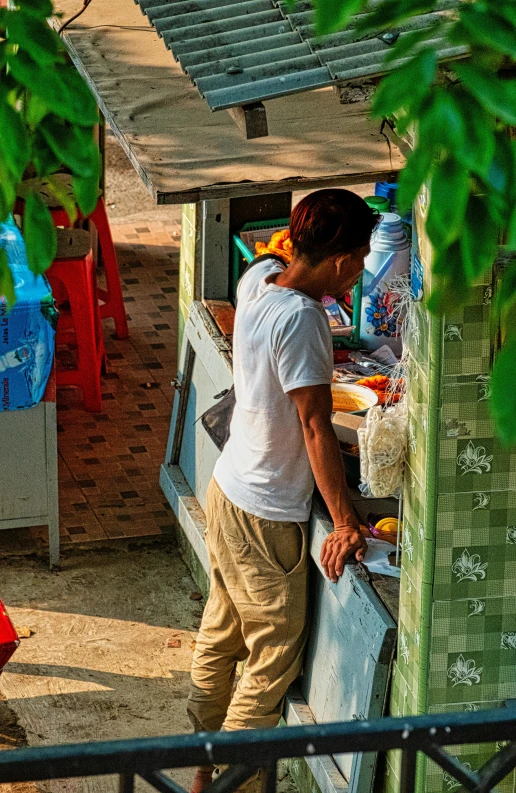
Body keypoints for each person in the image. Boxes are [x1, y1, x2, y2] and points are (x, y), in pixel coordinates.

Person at [187, 189, 378, 793]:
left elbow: (269, 260)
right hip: (269, 514)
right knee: (271, 663)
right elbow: (317, 426)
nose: (359, 272)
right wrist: (346, 521)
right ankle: (231, 784)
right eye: (362, 258)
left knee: (223, 630)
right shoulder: (303, 319)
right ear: (345, 261)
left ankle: (197, 765)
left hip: (228, 489)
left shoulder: (259, 282)